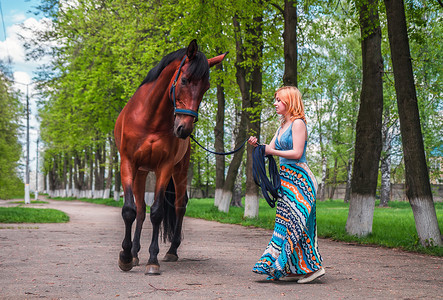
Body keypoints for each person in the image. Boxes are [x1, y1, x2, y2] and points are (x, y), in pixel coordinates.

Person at [248, 86, 324, 283]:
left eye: (279, 100)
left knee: (299, 225)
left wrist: (272, 152)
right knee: (285, 225)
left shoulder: (298, 124)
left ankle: (314, 268)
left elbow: (297, 153)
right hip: (286, 180)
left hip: (300, 180)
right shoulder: (282, 126)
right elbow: (269, 149)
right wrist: (258, 146)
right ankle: (294, 269)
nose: (275, 104)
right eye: (275, 100)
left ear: (289, 102)